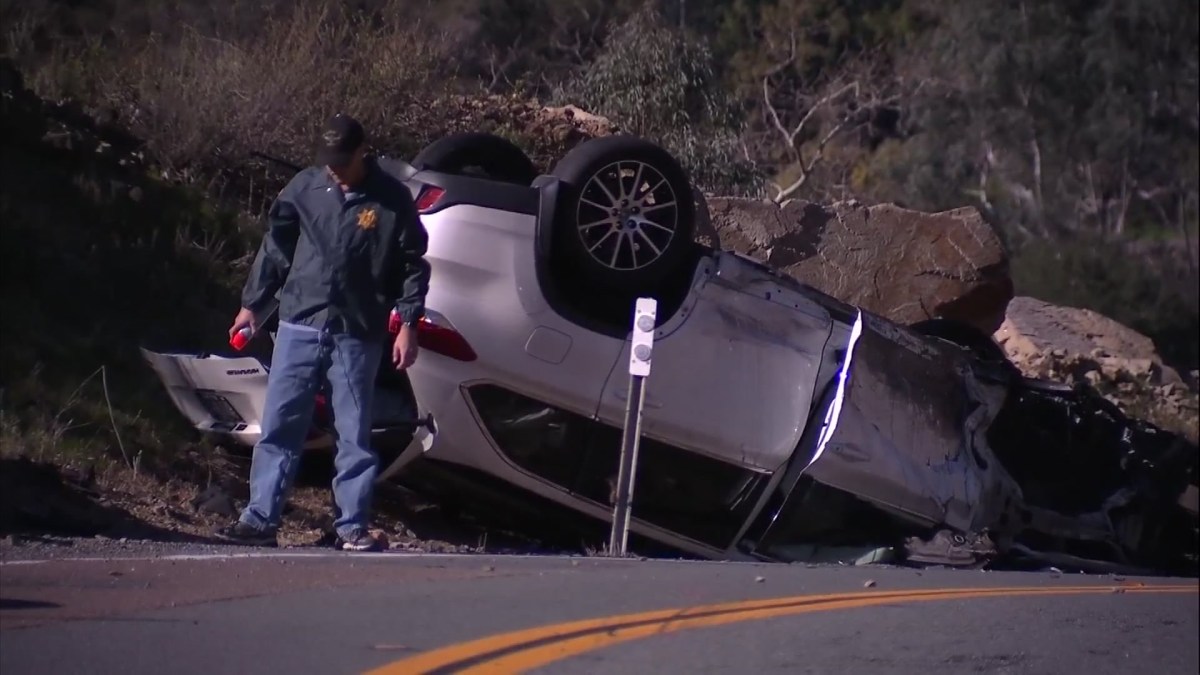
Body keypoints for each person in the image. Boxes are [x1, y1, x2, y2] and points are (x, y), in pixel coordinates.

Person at [216, 113, 431, 551]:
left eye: (342, 159)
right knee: (279, 426)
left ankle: (351, 526)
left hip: (356, 331)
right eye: (327, 159)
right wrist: (253, 306)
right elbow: (276, 247)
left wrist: (409, 324)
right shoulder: (305, 188)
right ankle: (260, 520)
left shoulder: (391, 200)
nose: (333, 167)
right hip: (300, 322)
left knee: (352, 433)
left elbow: (412, 265)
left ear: (362, 151)